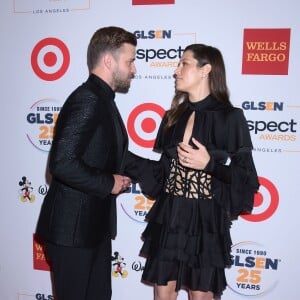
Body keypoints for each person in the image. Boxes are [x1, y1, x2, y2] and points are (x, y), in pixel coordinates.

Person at [130, 44, 259, 300]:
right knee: (162, 294)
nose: (176, 71)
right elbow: (161, 175)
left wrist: (210, 165)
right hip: (170, 216)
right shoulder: (171, 118)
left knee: (201, 295)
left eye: (184, 63)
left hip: (206, 220)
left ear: (206, 70)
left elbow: (246, 178)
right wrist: (122, 157)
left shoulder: (231, 118)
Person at [35, 26, 137, 300]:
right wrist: (108, 182)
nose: (133, 69)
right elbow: (62, 163)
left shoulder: (103, 99)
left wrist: (163, 173)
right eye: (129, 61)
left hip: (94, 230)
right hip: (72, 234)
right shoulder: (87, 99)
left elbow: (116, 157)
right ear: (108, 61)